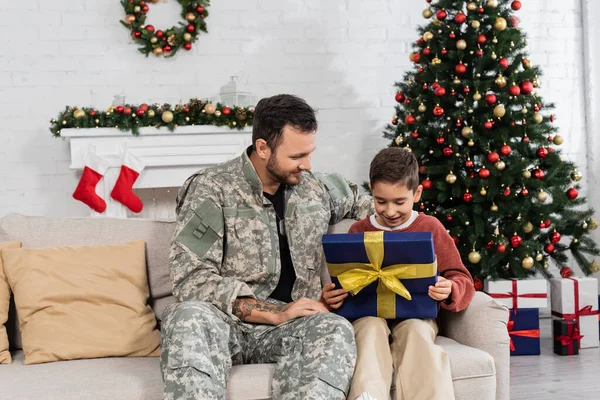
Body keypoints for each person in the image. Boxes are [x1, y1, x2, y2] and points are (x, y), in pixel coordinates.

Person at [160, 94, 373, 400]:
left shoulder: (316, 188)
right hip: (227, 323)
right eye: (297, 156)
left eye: (309, 153)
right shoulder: (212, 189)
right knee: (186, 316)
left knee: (334, 328)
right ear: (263, 148)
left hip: (291, 330)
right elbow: (189, 279)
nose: (307, 165)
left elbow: (382, 209)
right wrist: (274, 313)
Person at [321, 147, 475, 400]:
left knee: (416, 333)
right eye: (381, 201)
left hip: (417, 316)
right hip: (367, 315)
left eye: (399, 202)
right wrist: (332, 297)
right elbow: (345, 280)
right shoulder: (359, 230)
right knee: (369, 332)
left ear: (416, 194)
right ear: (372, 192)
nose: (390, 211)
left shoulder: (430, 227)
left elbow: (461, 277)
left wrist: (450, 288)